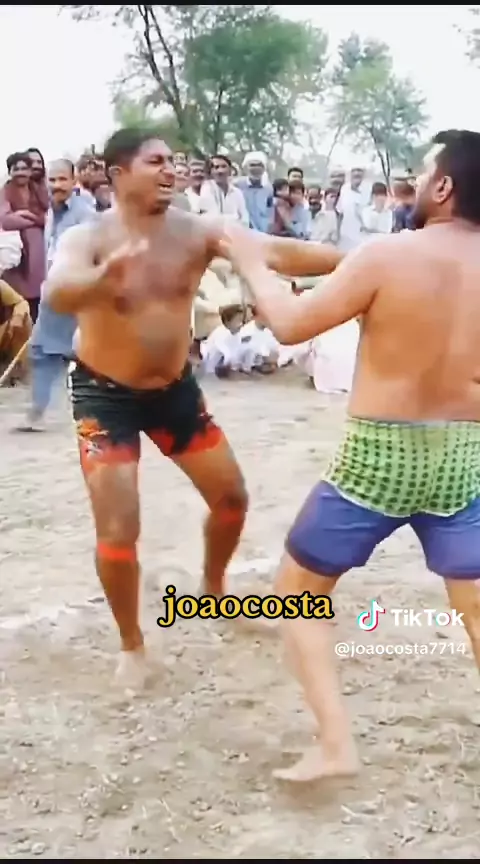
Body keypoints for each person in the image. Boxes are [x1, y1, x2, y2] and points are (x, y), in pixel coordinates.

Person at [219, 129, 480, 783]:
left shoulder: (388, 254)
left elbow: (289, 324)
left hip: (379, 458)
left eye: (423, 173)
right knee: (474, 601)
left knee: (298, 592)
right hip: (464, 456)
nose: (415, 184)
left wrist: (251, 259)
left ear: (445, 186)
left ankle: (336, 745)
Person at [43, 127, 343, 690]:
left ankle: (213, 592)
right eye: (156, 161)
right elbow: (59, 289)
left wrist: (363, 259)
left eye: (174, 161)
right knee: (119, 524)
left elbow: (276, 252)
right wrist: (102, 277)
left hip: (175, 393)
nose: (171, 170)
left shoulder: (196, 231)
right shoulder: (89, 237)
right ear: (118, 174)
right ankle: (131, 645)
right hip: (105, 397)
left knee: (231, 499)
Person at [16, 159, 96, 432]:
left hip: (78, 293)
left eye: (62, 179)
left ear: (74, 181)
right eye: (52, 180)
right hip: (55, 293)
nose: (56, 185)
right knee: (43, 351)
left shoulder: (85, 215)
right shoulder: (52, 213)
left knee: (80, 353)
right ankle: (38, 411)